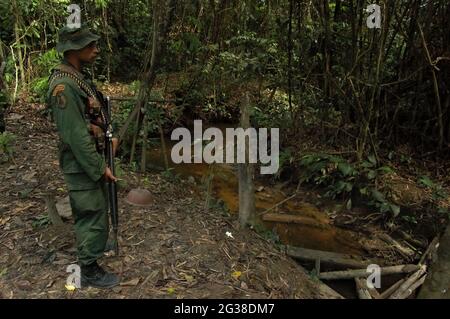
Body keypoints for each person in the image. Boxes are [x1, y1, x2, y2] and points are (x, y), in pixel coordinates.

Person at [47, 25, 120, 289]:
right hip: (82, 163)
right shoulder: (63, 87)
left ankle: (95, 244)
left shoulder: (77, 77)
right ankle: (88, 268)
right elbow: (75, 136)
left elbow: (88, 119)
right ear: (74, 50)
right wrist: (100, 167)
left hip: (91, 156)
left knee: (97, 207)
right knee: (92, 211)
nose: (96, 50)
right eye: (90, 46)